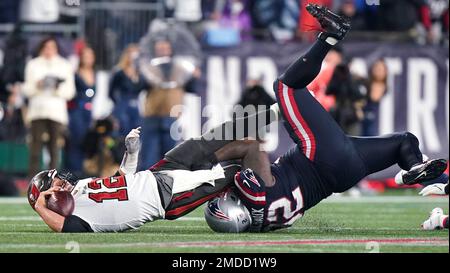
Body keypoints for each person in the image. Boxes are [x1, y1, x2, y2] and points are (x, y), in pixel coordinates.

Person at [203, 4, 448, 233]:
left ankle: (424, 172)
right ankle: (330, 36)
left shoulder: (267, 223)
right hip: (316, 157)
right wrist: (203, 166)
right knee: (285, 87)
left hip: (342, 175)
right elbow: (248, 155)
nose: (225, 196)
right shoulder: (252, 195)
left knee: (403, 142)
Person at [22, 37, 75, 178]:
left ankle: (52, 181)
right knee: (35, 148)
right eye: (46, 47)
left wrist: (57, 88)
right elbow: (26, 89)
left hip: (56, 112)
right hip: (37, 111)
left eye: (51, 47)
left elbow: (70, 92)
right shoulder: (33, 64)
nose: (49, 50)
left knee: (54, 149)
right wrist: (37, 86)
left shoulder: (64, 65)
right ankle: (32, 181)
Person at [65, 47, 97, 176]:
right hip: (77, 110)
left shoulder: (94, 73)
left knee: (86, 140)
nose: (88, 59)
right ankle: (73, 170)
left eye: (90, 56)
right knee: (76, 140)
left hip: (88, 112)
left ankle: (83, 170)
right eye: (86, 56)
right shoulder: (76, 73)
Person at [109, 44, 149, 138]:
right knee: (123, 134)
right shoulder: (119, 73)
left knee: (137, 135)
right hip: (123, 107)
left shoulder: (141, 75)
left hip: (136, 108)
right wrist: (118, 105)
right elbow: (110, 92)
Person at [361, 59, 388, 136]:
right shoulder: (365, 84)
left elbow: (374, 97)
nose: (378, 71)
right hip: (360, 121)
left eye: (380, 69)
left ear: (385, 72)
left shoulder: (383, 87)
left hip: (373, 123)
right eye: (376, 68)